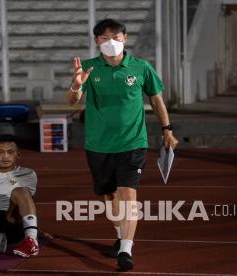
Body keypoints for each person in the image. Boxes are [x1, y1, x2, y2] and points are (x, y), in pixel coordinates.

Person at [67, 18, 179, 271]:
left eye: (115, 37)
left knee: (128, 193)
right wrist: (76, 84)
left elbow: (156, 98)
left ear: (125, 38)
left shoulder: (141, 68)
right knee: (110, 195)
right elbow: (73, 101)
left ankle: (126, 250)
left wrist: (167, 130)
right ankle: (119, 234)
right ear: (97, 41)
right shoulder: (88, 67)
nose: (111, 43)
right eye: (104, 39)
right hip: (98, 143)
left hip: (132, 142)